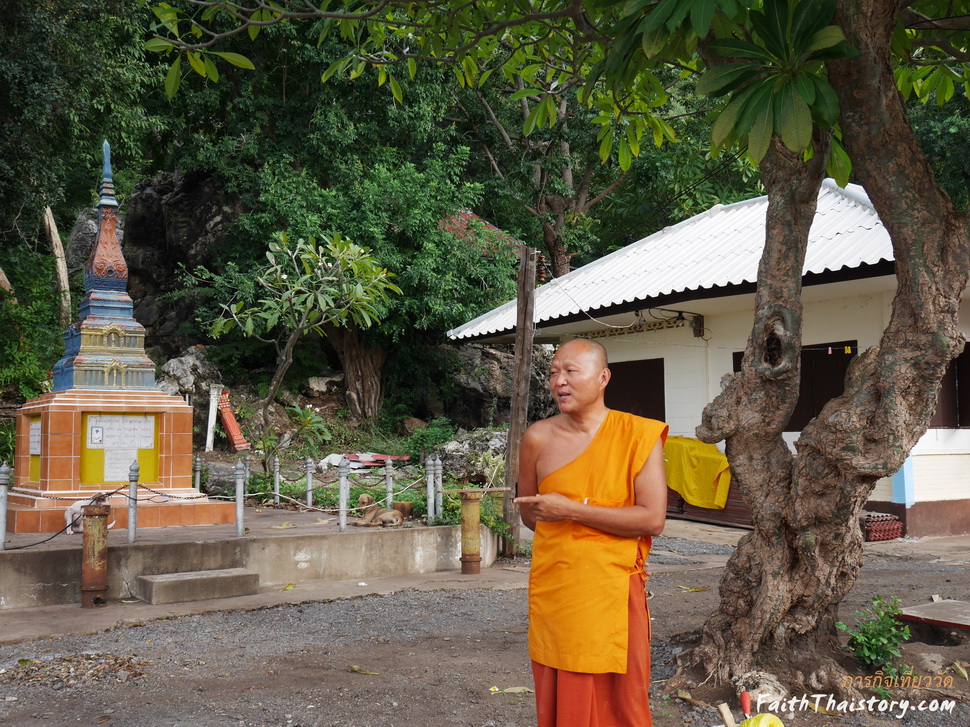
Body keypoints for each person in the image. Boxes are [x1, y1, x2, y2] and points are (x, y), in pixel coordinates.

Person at [514, 338, 669, 727]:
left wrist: (571, 511)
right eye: (553, 373)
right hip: (560, 588)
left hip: (614, 587)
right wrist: (558, 518)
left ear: (603, 378)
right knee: (563, 692)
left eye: (570, 372)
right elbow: (530, 516)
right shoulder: (537, 437)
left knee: (623, 699)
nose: (559, 382)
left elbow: (652, 519)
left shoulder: (637, 434)